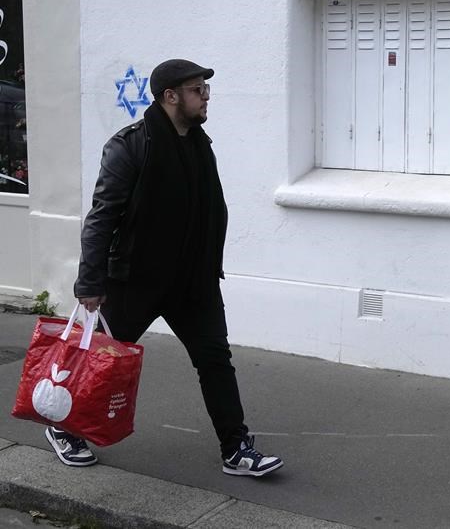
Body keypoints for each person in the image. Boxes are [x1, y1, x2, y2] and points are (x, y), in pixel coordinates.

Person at [47, 58, 283, 477]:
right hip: (136, 279)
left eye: (205, 89)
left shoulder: (198, 143)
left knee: (215, 360)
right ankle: (64, 428)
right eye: (197, 89)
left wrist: (210, 265)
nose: (206, 95)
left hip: (193, 281)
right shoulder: (130, 146)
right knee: (102, 358)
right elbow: (102, 217)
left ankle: (236, 448)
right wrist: (90, 282)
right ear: (170, 96)